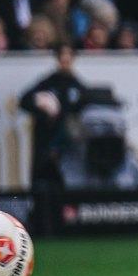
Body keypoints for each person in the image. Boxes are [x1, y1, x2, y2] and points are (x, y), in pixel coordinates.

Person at [17, 43, 87, 189]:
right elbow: (24, 101)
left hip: (68, 144)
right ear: (57, 58)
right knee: (43, 182)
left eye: (69, 55)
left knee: (68, 181)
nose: (65, 59)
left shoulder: (78, 86)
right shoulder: (47, 83)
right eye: (62, 55)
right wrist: (42, 109)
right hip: (46, 141)